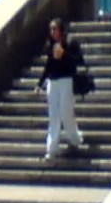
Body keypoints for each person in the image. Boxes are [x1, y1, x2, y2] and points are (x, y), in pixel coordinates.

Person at [37, 18, 86, 160]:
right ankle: (51, 149)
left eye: (55, 29)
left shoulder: (70, 42)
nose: (53, 32)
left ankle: (75, 138)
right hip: (53, 82)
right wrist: (40, 83)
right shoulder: (50, 45)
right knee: (53, 115)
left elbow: (77, 61)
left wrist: (64, 53)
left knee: (66, 112)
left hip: (66, 80)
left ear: (61, 30)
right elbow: (48, 66)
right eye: (51, 29)